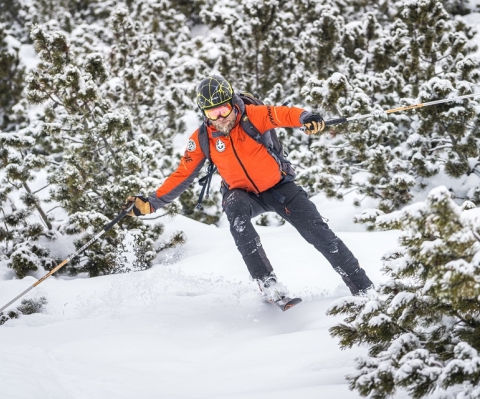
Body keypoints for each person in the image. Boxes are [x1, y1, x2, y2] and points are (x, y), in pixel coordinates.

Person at [126, 75, 373, 302]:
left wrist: (306, 118)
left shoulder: (254, 115)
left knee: (319, 233)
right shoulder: (202, 138)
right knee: (236, 214)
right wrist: (151, 202)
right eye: (213, 113)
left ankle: (363, 288)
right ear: (205, 113)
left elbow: (284, 114)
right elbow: (183, 174)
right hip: (242, 194)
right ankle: (268, 284)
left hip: (279, 187)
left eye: (223, 109)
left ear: (232, 102)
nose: (220, 117)